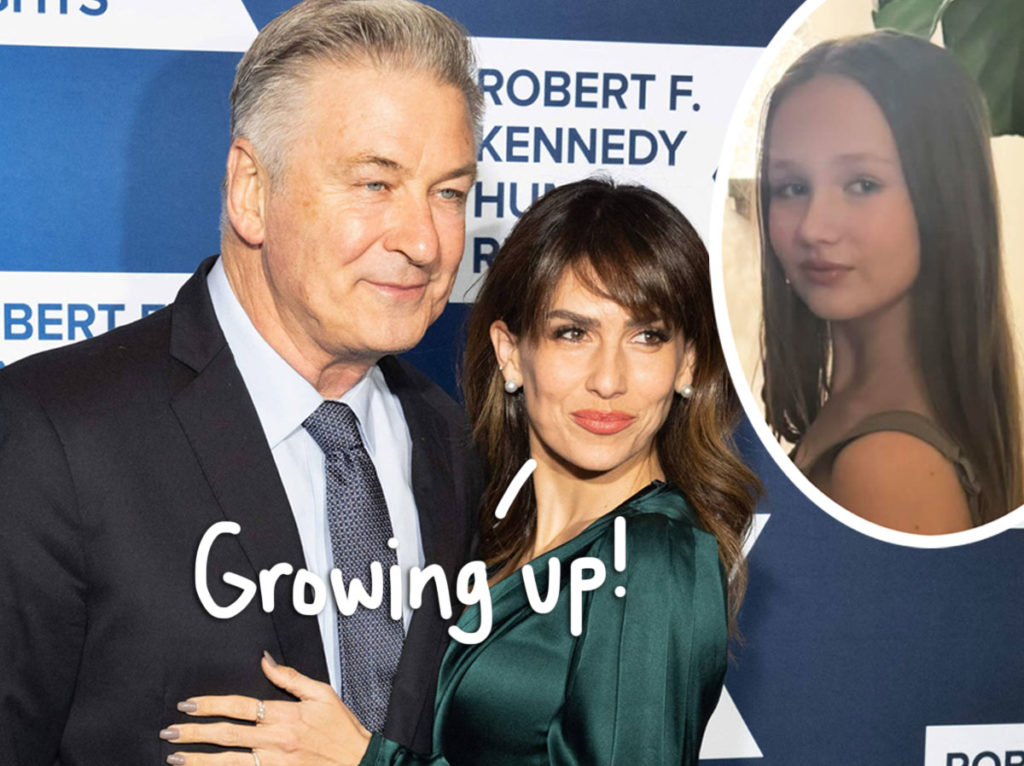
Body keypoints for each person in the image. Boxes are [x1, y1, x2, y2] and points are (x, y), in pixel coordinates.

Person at [0, 0, 484, 762]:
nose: (424, 241)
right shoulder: (53, 434)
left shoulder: (458, 443)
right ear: (251, 190)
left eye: (449, 192)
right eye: (374, 184)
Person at [161, 178, 760, 765]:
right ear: (509, 352)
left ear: (688, 364)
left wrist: (363, 762)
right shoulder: (480, 525)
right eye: (572, 333)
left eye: (647, 337)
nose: (609, 380)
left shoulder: (654, 559)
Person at [757, 30, 1023, 533]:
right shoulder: (861, 421)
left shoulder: (886, 466)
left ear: (942, 198)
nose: (815, 227)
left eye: (863, 184)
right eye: (792, 187)